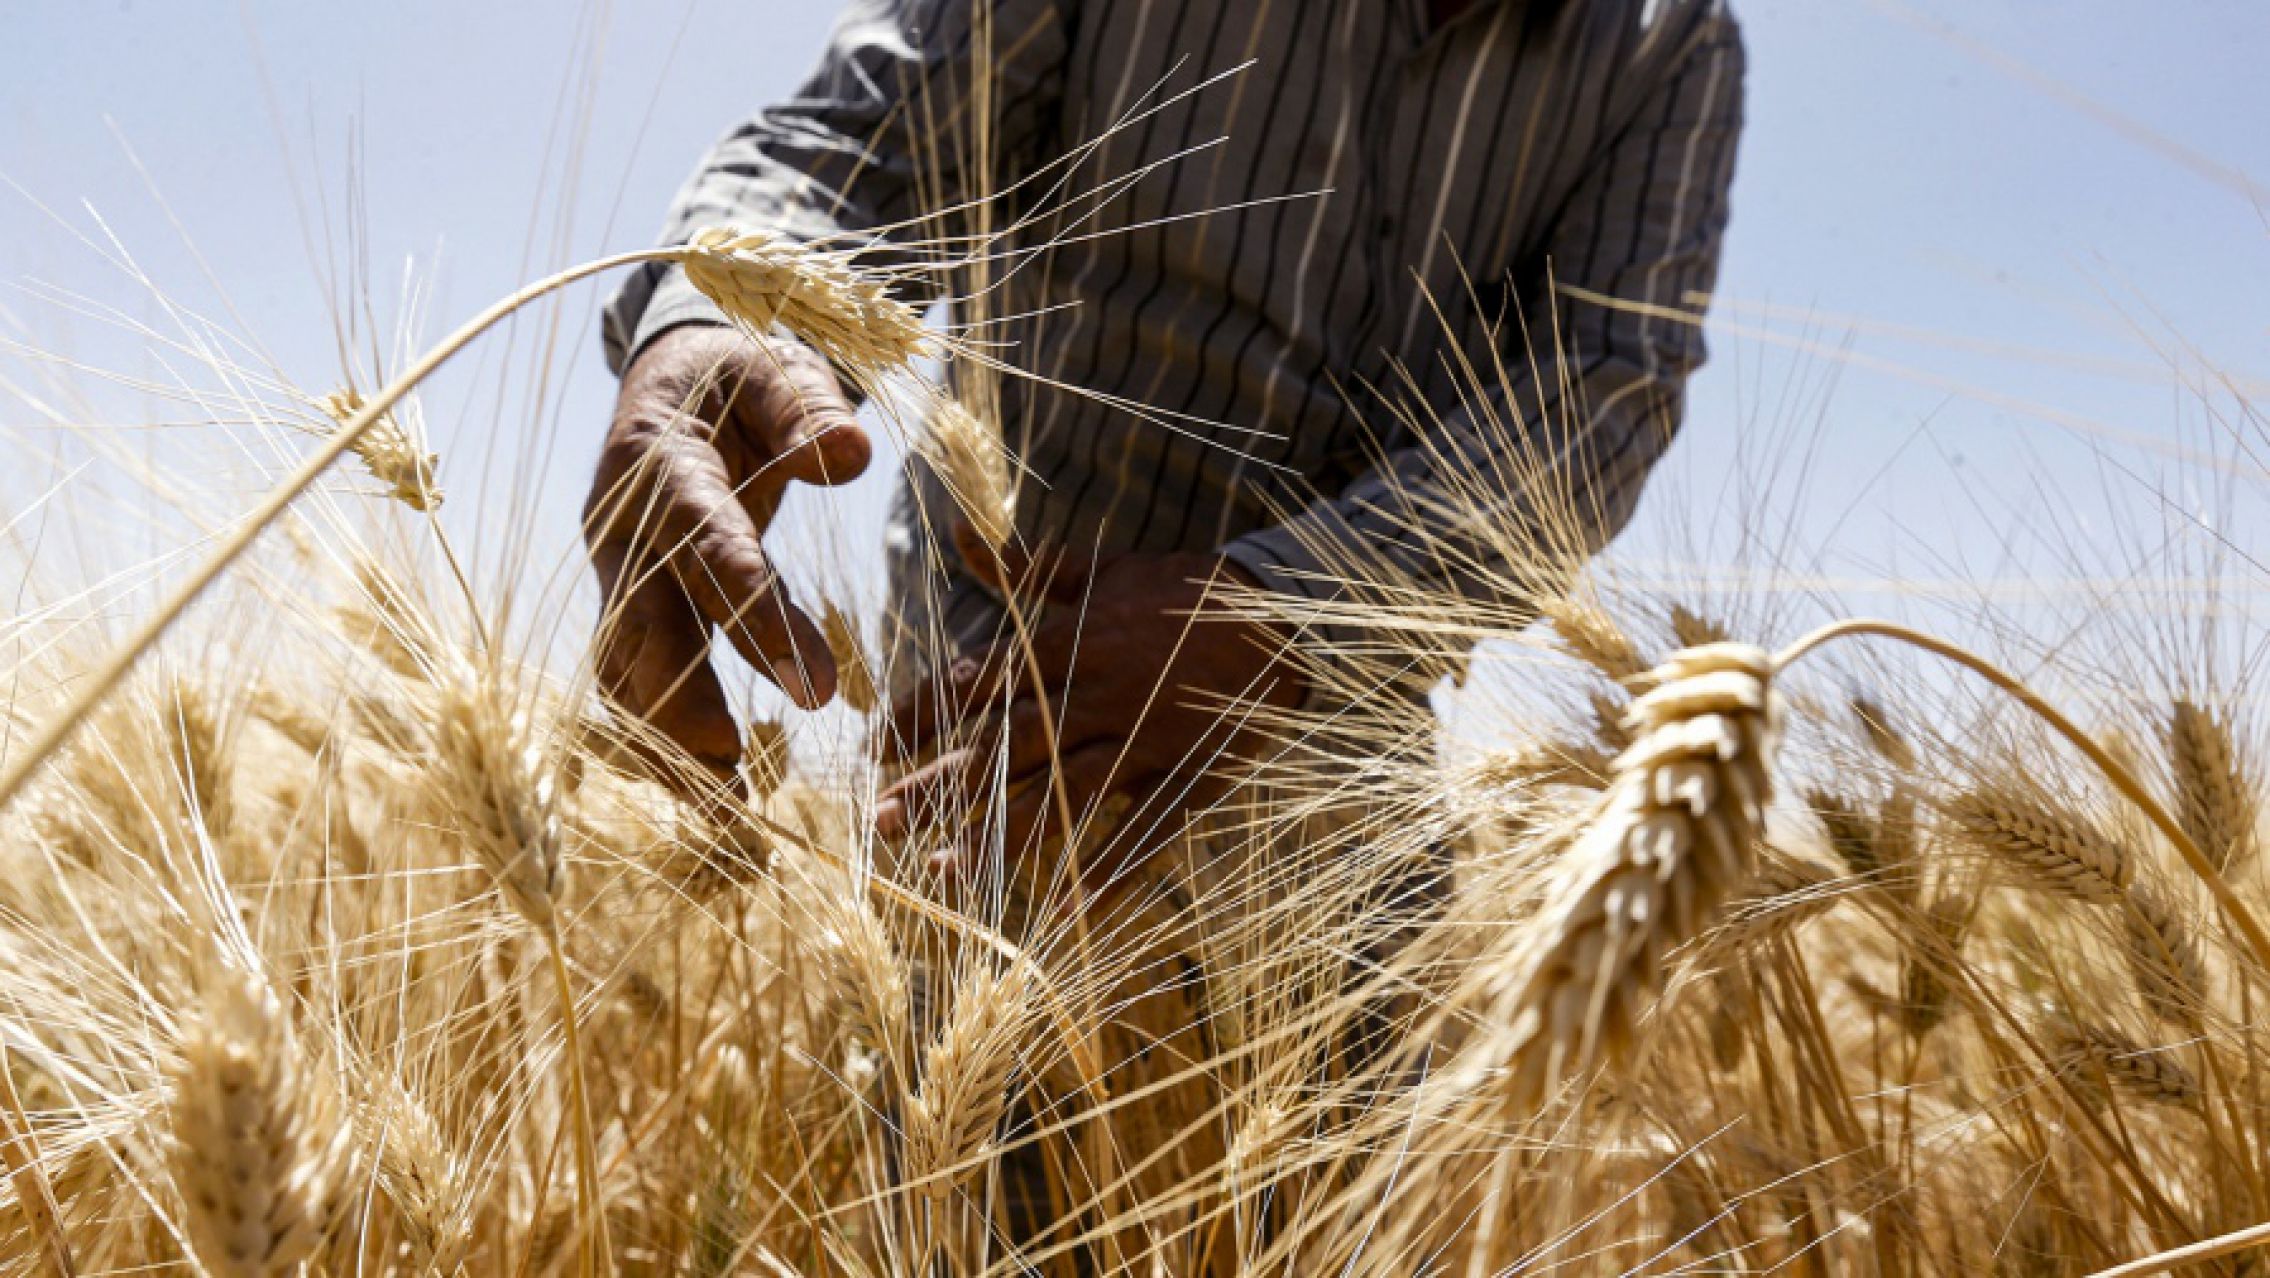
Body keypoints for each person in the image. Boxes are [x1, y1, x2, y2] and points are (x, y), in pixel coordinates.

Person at [590, 0, 1744, 877]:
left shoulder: (1666, 45)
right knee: (971, 1171)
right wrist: (716, 321)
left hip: (1341, 739)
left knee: (1337, 1181)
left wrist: (1283, 616)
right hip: (993, 698)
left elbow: (1600, 396)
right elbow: (863, 138)